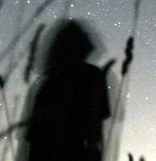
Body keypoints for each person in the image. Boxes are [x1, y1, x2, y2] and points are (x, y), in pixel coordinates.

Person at [25, 19, 111, 161]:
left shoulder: (48, 82)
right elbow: (96, 126)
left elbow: (35, 137)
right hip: (77, 152)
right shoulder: (92, 75)